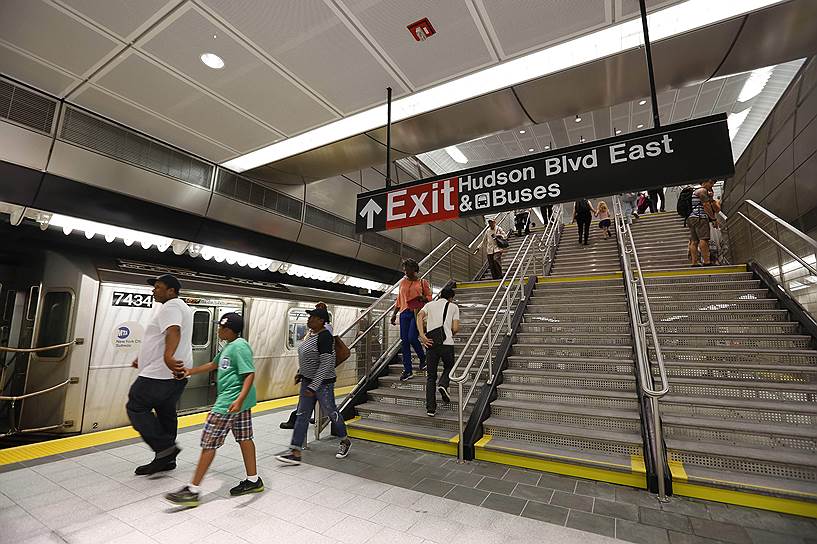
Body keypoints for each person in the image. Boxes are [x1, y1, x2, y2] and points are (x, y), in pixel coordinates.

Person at [165, 313, 262, 507]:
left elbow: (249, 374)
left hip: (229, 403)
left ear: (230, 330)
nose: (218, 330)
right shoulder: (229, 346)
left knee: (209, 443)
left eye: (221, 328)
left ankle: (192, 490)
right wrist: (190, 372)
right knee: (244, 438)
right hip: (236, 403)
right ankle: (253, 481)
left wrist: (239, 399)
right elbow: (214, 364)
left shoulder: (240, 347)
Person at [126, 274, 192, 475]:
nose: (153, 291)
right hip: (176, 374)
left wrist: (168, 357)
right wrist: (142, 357)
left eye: (158, 287)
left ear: (171, 291)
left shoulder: (170, 306)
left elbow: (173, 331)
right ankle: (166, 459)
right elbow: (161, 337)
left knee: (136, 406)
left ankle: (164, 449)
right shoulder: (183, 307)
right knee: (165, 412)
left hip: (161, 373)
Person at [276, 307, 351, 465]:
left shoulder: (325, 337)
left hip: (323, 385)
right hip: (307, 382)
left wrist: (313, 386)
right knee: (302, 416)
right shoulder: (311, 335)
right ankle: (295, 451)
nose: (309, 320)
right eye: (309, 318)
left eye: (312, 318)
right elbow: (308, 358)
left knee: (331, 412)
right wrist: (300, 372)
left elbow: (326, 364)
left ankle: (345, 440)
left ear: (321, 321)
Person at [280, 302, 332, 430]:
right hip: (310, 372)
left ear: (322, 318)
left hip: (317, 373)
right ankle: (311, 419)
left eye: (316, 314)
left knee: (313, 402)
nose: (311, 318)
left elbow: (323, 357)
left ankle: (299, 420)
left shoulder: (326, 331)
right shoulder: (314, 331)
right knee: (312, 401)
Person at [417, 285, 460, 417]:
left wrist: (423, 336)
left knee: (431, 377)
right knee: (449, 366)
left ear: (440, 295)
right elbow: (455, 328)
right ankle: (443, 383)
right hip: (447, 344)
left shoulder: (429, 305)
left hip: (431, 343)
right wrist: (449, 332)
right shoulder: (453, 307)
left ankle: (431, 409)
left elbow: (419, 315)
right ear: (451, 298)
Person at [390, 259, 431, 381]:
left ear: (414, 269)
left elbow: (429, 297)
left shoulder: (422, 282)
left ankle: (423, 358)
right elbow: (399, 299)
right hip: (404, 313)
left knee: (412, 337)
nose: (405, 271)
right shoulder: (402, 282)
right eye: (404, 269)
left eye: (407, 269)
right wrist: (394, 314)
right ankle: (408, 370)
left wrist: (422, 298)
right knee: (405, 342)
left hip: (416, 313)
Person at [688, 179, 718, 267]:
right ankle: (706, 262)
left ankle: (694, 263)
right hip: (700, 217)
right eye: (711, 183)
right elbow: (706, 205)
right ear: (705, 182)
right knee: (703, 239)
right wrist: (713, 219)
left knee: (694, 241)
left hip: (691, 217)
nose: (712, 185)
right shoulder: (702, 190)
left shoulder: (694, 191)